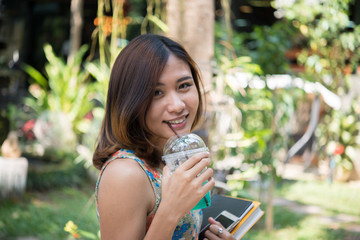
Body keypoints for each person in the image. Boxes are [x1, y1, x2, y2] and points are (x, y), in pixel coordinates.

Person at [93, 34, 236, 240]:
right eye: (156, 93)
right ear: (130, 102)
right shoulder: (125, 174)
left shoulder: (168, 160)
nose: (177, 105)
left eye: (184, 85)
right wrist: (170, 210)